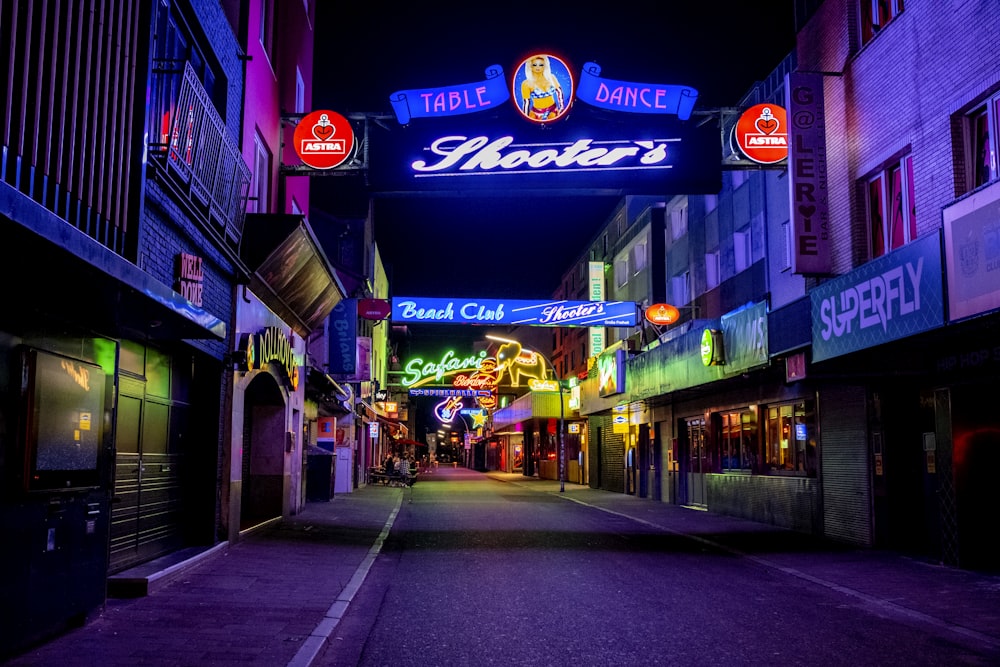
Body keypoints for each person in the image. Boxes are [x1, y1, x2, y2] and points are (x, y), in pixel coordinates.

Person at [520, 55, 565, 121]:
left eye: (541, 65)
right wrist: (525, 118)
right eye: (535, 65)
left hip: (553, 110)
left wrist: (561, 107)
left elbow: (559, 92)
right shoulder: (526, 83)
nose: (538, 67)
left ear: (545, 66)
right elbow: (526, 103)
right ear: (530, 67)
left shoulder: (551, 78)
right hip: (536, 112)